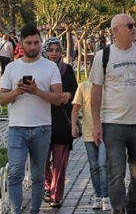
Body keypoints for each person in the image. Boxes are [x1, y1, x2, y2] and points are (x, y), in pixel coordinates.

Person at [90, 14, 136, 214]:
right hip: (113, 124)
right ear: (116, 31)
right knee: (116, 173)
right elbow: (95, 92)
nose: (133, 28)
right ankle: (118, 210)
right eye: (129, 25)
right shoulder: (103, 56)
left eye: (134, 25)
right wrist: (96, 124)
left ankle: (131, 206)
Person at [0, 24, 63, 214]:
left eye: (36, 42)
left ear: (40, 42)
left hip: (42, 128)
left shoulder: (50, 67)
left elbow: (58, 98)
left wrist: (36, 91)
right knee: (15, 173)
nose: (33, 47)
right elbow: (1, 99)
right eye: (29, 43)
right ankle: (16, 211)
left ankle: (34, 210)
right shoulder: (12, 67)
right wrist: (17, 91)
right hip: (17, 128)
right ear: (22, 44)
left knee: (37, 175)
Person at [42, 37, 78, 208]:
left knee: (60, 160)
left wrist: (69, 95)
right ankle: (47, 186)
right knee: (41, 158)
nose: (54, 53)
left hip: (62, 119)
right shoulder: (39, 69)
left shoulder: (67, 69)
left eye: (57, 50)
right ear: (45, 52)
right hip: (42, 117)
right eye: (51, 50)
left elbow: (74, 88)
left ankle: (56, 194)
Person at [73, 79, 110, 210]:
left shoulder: (109, 85)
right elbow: (76, 107)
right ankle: (98, 195)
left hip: (106, 132)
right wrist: (74, 126)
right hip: (89, 132)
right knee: (94, 166)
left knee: (103, 164)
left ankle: (106, 196)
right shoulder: (83, 86)